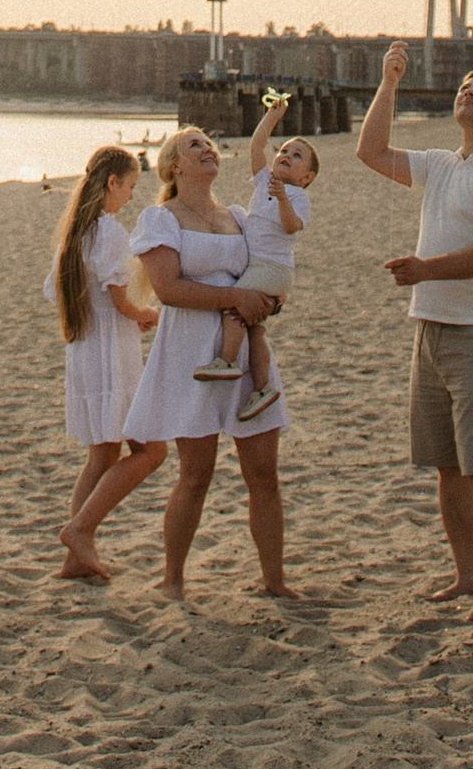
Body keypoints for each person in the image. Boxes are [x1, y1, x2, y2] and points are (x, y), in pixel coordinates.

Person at [357, 41, 473, 626]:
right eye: (464, 87)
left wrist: (425, 269)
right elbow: (372, 150)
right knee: (447, 466)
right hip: (430, 328)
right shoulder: (441, 163)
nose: (468, 92)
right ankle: (466, 577)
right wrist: (390, 81)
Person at [81, 124, 288, 597]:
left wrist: (269, 302)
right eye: (196, 144)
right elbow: (168, 288)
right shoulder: (161, 219)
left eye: (211, 143)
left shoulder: (237, 215)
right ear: (174, 165)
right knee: (195, 474)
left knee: (264, 473)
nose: (209, 148)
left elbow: (270, 266)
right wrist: (235, 295)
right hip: (191, 348)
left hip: (245, 343)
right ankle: (173, 578)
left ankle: (275, 582)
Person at [47, 145, 168, 582]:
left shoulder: (75, 232)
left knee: (101, 455)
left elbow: (68, 293)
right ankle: (79, 530)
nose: (132, 196)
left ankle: (75, 558)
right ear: (112, 183)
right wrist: (146, 314)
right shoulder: (109, 231)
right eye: (131, 186)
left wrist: (122, 316)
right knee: (152, 450)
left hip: (86, 348)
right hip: (109, 355)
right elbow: (120, 298)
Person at [195, 98, 317, 423]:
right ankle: (262, 388)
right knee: (256, 330)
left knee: (235, 310)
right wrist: (271, 117)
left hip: (272, 269)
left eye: (297, 156)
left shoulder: (297, 196)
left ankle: (227, 361)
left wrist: (281, 200)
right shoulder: (265, 180)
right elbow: (256, 148)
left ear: (307, 177)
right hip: (262, 269)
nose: (286, 156)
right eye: (284, 151)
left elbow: (291, 228)